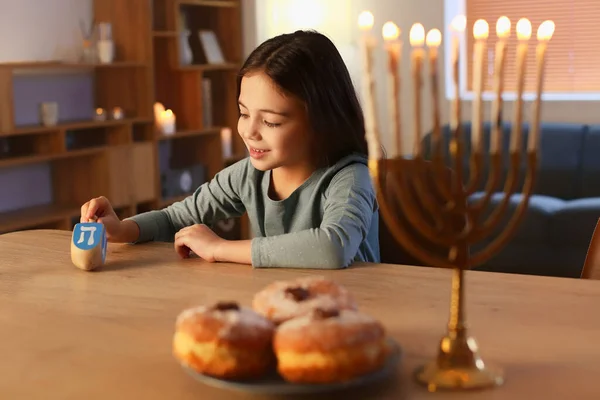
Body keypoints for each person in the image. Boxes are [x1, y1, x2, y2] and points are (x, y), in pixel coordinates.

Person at [80, 30, 380, 269]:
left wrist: (219, 248)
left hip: (354, 318)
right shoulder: (247, 175)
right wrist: (122, 230)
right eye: (244, 113)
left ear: (321, 121)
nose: (249, 132)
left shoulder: (350, 178)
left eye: (271, 122)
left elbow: (333, 248)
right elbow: (175, 219)